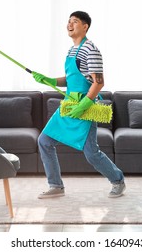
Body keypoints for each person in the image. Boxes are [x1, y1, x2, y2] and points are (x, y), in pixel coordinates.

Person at [32, 11, 125, 199]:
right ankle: (56, 185)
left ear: (85, 26)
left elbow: (98, 82)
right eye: (68, 21)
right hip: (69, 104)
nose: (69, 24)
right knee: (44, 141)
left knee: (91, 153)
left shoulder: (91, 49)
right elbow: (72, 79)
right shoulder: (72, 50)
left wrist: (84, 105)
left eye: (75, 21)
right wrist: (49, 80)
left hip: (85, 106)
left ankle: (117, 180)